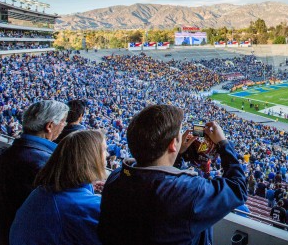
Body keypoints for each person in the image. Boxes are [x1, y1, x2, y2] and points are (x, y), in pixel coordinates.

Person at [98, 104, 247, 245]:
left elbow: (157, 179)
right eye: (179, 135)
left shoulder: (117, 177)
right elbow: (238, 188)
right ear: (172, 144)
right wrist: (223, 143)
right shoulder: (187, 192)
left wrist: (178, 154)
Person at [10, 130, 107, 245]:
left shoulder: (42, 192)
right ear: (92, 158)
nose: (108, 154)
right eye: (104, 150)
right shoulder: (79, 206)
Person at [0, 100, 69, 245]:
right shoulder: (45, 164)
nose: (65, 125)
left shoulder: (8, 153)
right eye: (63, 121)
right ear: (49, 126)